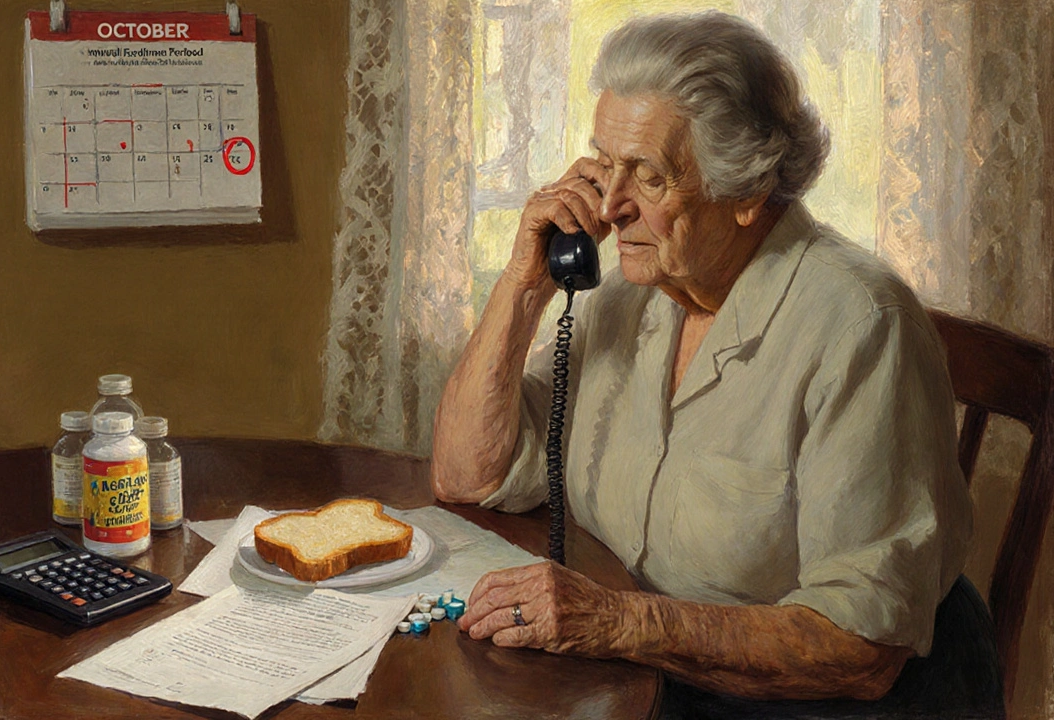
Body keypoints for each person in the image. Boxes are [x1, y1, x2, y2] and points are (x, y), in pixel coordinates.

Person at [430, 11, 1003, 718]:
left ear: (748, 192)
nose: (609, 208)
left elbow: (863, 645)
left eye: (649, 176)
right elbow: (468, 474)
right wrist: (520, 286)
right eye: (603, 166)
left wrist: (623, 623)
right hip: (657, 678)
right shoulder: (627, 297)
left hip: (826, 703)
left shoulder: (858, 324)